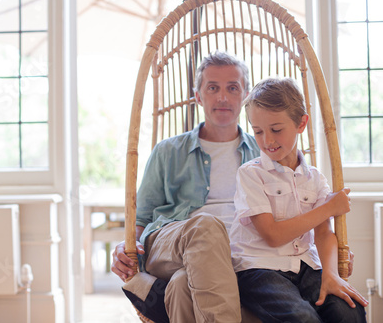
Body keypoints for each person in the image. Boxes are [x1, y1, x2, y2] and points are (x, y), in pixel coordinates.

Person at [112, 51, 260, 322]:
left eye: (232, 88)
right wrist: (126, 244)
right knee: (205, 225)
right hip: (170, 244)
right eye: (213, 88)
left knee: (181, 285)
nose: (223, 97)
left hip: (235, 253)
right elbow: (142, 218)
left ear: (246, 95)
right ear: (199, 96)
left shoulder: (264, 154)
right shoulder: (167, 151)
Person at [229, 77, 368, 322]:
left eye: (277, 129)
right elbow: (273, 235)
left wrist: (331, 274)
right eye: (258, 131)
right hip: (259, 268)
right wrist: (328, 208)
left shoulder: (315, 179)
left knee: (350, 311)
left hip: (306, 265)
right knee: (303, 318)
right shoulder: (250, 175)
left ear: (301, 123)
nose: (267, 141)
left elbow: (324, 234)